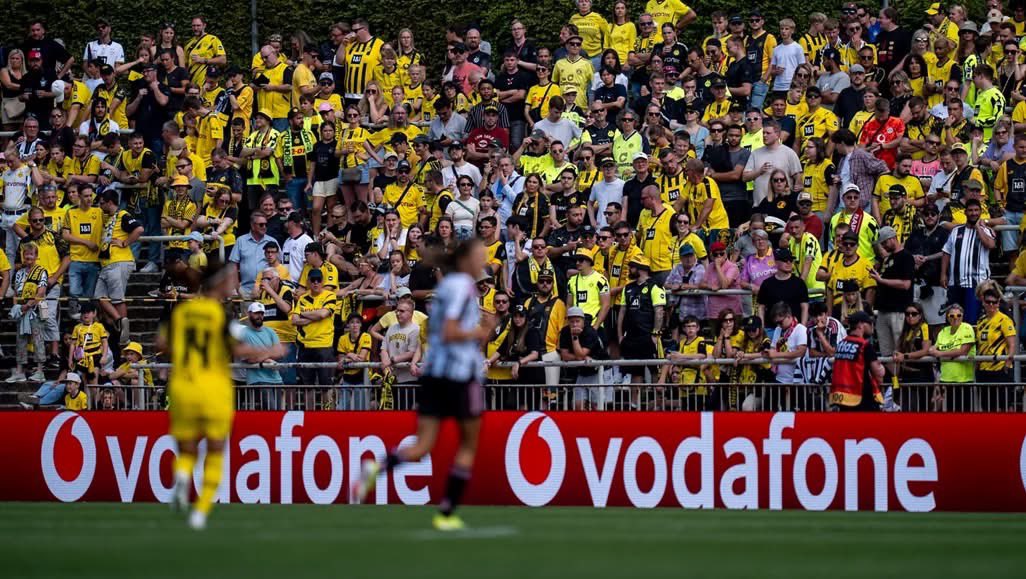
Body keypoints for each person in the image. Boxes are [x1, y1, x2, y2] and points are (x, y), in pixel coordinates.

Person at [356, 239, 494, 531]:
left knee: (422, 446)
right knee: (469, 444)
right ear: (466, 258)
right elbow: (450, 330)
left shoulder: (445, 288)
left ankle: (376, 468)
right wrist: (483, 330)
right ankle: (446, 513)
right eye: (480, 254)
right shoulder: (461, 287)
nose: (484, 259)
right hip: (459, 375)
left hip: (435, 372)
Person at [161, 259, 284, 530]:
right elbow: (239, 348)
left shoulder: (181, 313)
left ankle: (182, 475)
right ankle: (200, 511)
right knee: (215, 450)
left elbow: (161, 344)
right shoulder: (220, 316)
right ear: (219, 283)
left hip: (183, 385)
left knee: (187, 447)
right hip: (213, 387)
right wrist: (271, 352)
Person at [941, 197, 995, 323]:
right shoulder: (956, 231)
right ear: (965, 212)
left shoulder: (986, 231)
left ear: (980, 212)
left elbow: (990, 245)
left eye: (976, 210)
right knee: (953, 319)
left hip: (976, 284)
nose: (973, 213)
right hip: (955, 282)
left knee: (971, 320)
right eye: (970, 210)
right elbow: (946, 252)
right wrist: (943, 274)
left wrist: (978, 228)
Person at [871, 226, 915, 356]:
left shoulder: (906, 257)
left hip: (899, 311)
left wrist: (881, 280)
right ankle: (893, 377)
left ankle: (901, 376)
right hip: (883, 310)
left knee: (899, 350)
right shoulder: (888, 258)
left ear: (892, 238)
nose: (883, 246)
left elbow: (906, 284)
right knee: (885, 352)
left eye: (885, 242)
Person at [829, 310, 885, 411]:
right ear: (861, 325)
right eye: (869, 323)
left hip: (843, 398)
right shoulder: (865, 345)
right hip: (862, 397)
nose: (872, 326)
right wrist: (881, 369)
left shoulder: (841, 344)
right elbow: (878, 374)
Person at [291, 268, 338, 388]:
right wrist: (315, 317)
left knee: (326, 387)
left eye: (318, 280)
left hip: (324, 346)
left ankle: (327, 408)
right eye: (313, 280)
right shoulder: (302, 298)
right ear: (308, 282)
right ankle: (309, 408)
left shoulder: (330, 296)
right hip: (305, 347)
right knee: (307, 387)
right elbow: (294, 320)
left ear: (322, 281)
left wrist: (303, 314)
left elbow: (323, 314)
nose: (316, 282)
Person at [975, 286, 1017, 410]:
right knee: (987, 407)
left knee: (1003, 407)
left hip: (1000, 370)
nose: (991, 305)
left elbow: (1012, 343)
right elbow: (980, 343)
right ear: (983, 302)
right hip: (984, 370)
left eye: (994, 302)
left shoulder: (1004, 320)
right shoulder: (981, 321)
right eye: (988, 302)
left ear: (999, 303)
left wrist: (1008, 363)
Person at [929, 303, 976, 411]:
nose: (955, 318)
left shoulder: (967, 328)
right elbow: (933, 348)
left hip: (963, 380)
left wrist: (941, 354)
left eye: (958, 315)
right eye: (952, 316)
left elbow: (963, 351)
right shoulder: (943, 331)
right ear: (947, 317)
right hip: (946, 380)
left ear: (962, 316)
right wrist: (933, 350)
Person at [241, 302, 284, 410]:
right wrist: (269, 357)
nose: (259, 316)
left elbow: (280, 352)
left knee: (278, 413)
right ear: (249, 313)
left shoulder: (270, 331)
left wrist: (264, 357)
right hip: (258, 379)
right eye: (256, 313)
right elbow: (248, 358)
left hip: (276, 379)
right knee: (272, 411)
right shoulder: (242, 333)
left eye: (261, 313)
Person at [757, 248, 809, 326]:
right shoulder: (767, 284)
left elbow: (805, 307)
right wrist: (762, 327)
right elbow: (761, 307)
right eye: (785, 260)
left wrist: (803, 327)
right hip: (771, 329)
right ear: (776, 262)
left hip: (795, 328)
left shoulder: (799, 283)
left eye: (791, 260)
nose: (788, 263)